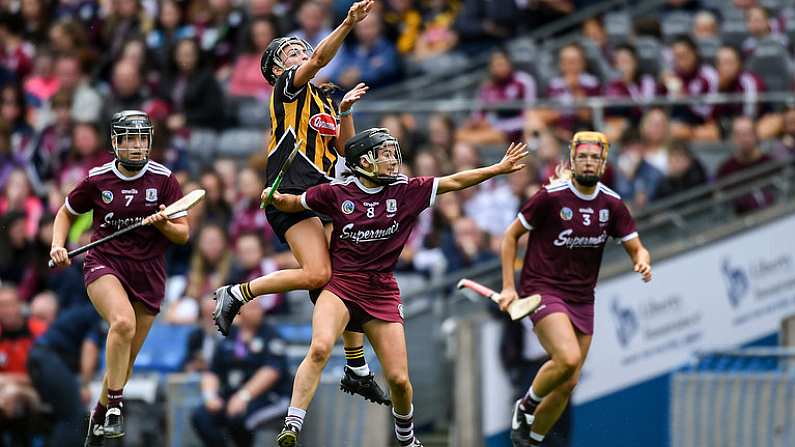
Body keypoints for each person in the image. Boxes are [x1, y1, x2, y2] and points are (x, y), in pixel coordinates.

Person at [264, 128, 528, 447]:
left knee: (400, 381)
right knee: (319, 347)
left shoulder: (406, 191)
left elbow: (455, 181)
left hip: (382, 289)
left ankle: (406, 437)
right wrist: (275, 199)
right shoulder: (337, 192)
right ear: (363, 161)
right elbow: (296, 202)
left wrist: (496, 169)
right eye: (384, 155)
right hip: (342, 284)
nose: (393, 161)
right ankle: (292, 425)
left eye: (392, 153)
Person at [212, 0, 391, 407]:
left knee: (347, 274)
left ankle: (357, 367)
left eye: (299, 48)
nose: (301, 52)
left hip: (323, 197)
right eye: (290, 52)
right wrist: (347, 23)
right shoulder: (287, 88)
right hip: (291, 195)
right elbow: (322, 57)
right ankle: (237, 293)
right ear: (277, 69)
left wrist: (345, 112)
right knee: (317, 274)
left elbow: (348, 152)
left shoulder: (326, 99)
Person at [499, 131, 652, 447]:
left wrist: (642, 261)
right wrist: (508, 288)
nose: (588, 162)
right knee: (567, 358)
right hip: (542, 288)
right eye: (582, 157)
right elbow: (510, 237)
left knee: (569, 382)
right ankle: (525, 406)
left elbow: (637, 247)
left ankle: (532, 439)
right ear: (572, 159)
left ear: (603, 163)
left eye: (594, 158)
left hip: (582, 298)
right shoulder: (551, 196)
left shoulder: (612, 204)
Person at [49, 110, 191, 445]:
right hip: (105, 264)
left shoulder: (164, 179)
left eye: (141, 138)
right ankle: (115, 407)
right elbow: (65, 214)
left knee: (123, 361)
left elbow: (183, 235)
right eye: (129, 139)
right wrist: (58, 244)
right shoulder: (98, 179)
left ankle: (98, 418)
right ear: (116, 142)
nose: (136, 145)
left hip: (149, 273)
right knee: (122, 323)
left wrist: (164, 225)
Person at [192, 300, 290, 447]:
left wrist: (243, 396)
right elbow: (212, 371)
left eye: (258, 308)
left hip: (269, 398)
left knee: (238, 418)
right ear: (239, 312)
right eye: (251, 308)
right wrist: (210, 396)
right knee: (201, 416)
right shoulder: (229, 334)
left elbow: (271, 371)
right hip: (231, 395)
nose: (257, 312)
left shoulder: (271, 335)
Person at [26, 305, 104, 447]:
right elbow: (89, 348)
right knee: (73, 416)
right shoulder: (98, 315)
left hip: (37, 358)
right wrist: (85, 385)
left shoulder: (81, 310)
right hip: (49, 359)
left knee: (60, 416)